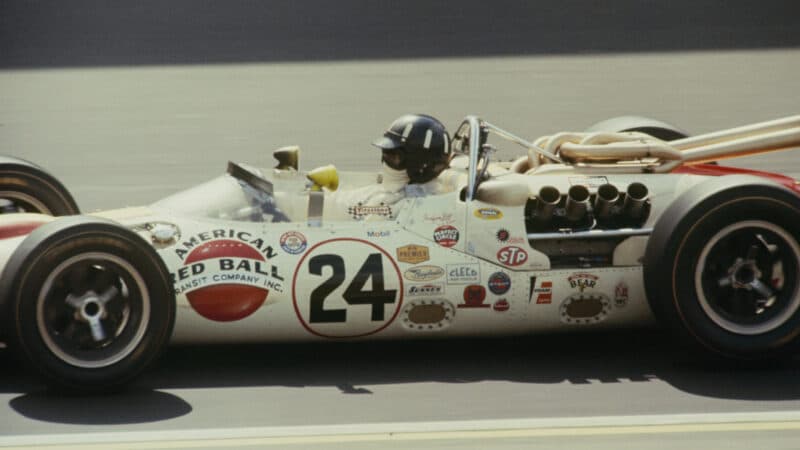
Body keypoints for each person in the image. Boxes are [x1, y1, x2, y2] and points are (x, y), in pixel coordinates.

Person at [329, 114, 452, 221]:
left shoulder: (404, 206)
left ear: (420, 166)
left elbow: (362, 218)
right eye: (385, 153)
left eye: (394, 157)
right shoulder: (393, 192)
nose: (385, 161)